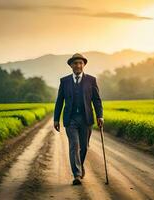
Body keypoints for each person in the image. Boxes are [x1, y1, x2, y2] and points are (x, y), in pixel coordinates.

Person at [53, 53, 104, 185]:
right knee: (74, 145)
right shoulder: (64, 81)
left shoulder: (91, 80)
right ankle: (76, 174)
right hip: (70, 119)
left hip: (86, 118)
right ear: (71, 66)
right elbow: (59, 101)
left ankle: (79, 166)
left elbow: (97, 100)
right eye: (75, 63)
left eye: (80, 63)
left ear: (84, 65)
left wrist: (100, 116)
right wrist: (56, 119)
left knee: (84, 147)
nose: (78, 65)